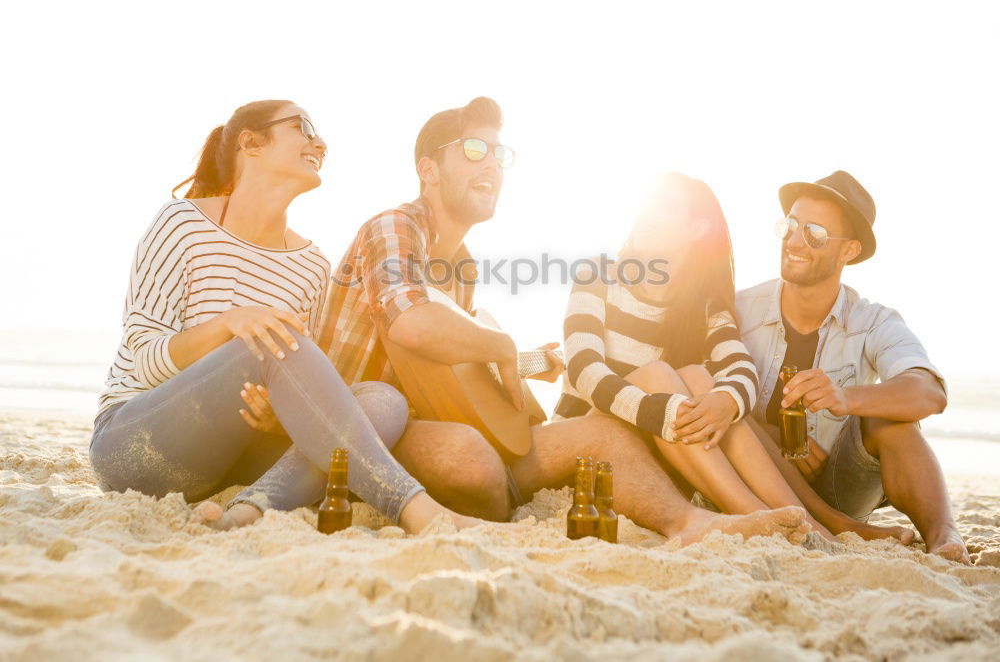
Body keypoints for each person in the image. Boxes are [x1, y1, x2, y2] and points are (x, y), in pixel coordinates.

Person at [312, 97, 811, 545]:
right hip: (365, 423)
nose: (491, 164)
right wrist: (505, 347)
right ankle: (484, 493)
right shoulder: (393, 227)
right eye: (472, 151)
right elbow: (412, 326)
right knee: (472, 458)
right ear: (429, 169)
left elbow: (445, 368)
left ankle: (690, 524)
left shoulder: (462, 266)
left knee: (603, 436)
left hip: (432, 420)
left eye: (498, 154)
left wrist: (530, 361)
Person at [89, 99, 482, 534]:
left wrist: (278, 416)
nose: (320, 142)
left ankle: (252, 507)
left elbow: (296, 376)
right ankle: (417, 510)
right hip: (137, 445)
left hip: (232, 463)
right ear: (250, 143)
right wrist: (230, 324)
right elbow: (142, 359)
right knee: (268, 341)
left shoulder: (311, 265)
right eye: (304, 127)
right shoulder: (182, 223)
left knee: (383, 402)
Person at [555, 172, 912, 543]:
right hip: (594, 441)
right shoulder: (597, 274)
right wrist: (663, 412)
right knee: (661, 376)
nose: (647, 215)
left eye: (664, 208)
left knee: (700, 379)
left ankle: (808, 522)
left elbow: (741, 370)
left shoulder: (705, 307)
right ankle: (762, 515)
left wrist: (726, 401)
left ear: (696, 230)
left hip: (660, 455)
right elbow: (584, 370)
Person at [736, 170, 969, 563]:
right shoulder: (740, 310)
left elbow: (929, 392)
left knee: (890, 417)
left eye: (815, 234)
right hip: (757, 481)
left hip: (841, 485)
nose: (794, 241)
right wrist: (775, 440)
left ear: (849, 251)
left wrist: (846, 397)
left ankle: (945, 535)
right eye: (791, 226)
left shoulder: (873, 321)